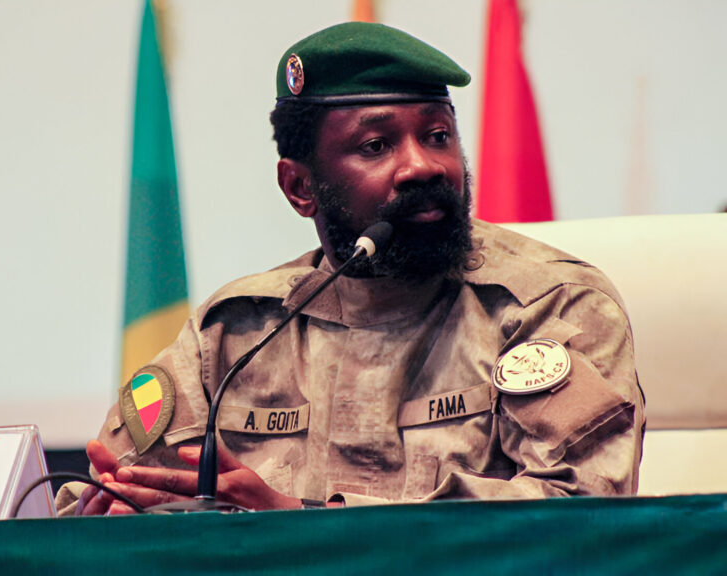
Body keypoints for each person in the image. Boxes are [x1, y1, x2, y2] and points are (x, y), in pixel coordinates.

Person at [56, 21, 645, 515]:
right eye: (376, 146)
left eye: (438, 135)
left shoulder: (548, 305)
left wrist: (306, 526)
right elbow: (97, 494)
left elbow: (578, 510)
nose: (422, 166)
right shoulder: (235, 334)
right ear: (300, 187)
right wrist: (107, 516)